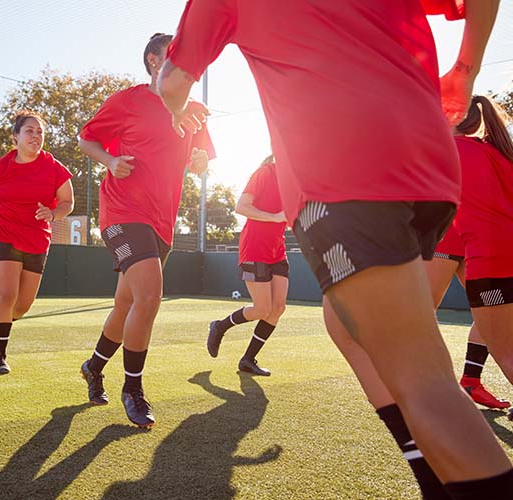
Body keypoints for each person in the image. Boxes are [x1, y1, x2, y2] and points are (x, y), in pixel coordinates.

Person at [158, 0, 513, 496]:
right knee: (343, 326)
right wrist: (464, 69)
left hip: (346, 175)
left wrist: (179, 113)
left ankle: (441, 479)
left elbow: (173, 83)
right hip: (429, 167)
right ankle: (428, 469)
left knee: (424, 378)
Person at [77, 33, 214, 428]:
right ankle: (132, 388)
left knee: (126, 304)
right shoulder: (128, 101)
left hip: (162, 221)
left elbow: (199, 163)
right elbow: (86, 138)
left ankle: (93, 366)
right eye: (175, 56)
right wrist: (109, 159)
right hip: (121, 211)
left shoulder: (196, 110)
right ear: (154, 62)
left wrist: (202, 160)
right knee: (150, 294)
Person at [0, 111, 74, 374]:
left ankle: (3, 324)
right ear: (16, 136)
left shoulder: (54, 168)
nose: (35, 136)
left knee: (23, 305)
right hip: (2, 236)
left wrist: (53, 213)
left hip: (37, 240)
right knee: (6, 296)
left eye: (40, 132)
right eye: (29, 131)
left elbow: (67, 202)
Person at [452, 95, 513, 416]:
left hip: (490, 262)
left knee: (505, 351)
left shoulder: (451, 152)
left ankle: (468, 381)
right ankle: (470, 379)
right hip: (505, 255)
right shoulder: (502, 152)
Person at [207, 155, 288, 376]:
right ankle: (220, 327)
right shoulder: (265, 173)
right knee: (262, 309)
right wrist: (275, 217)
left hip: (277, 250)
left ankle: (248, 359)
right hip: (255, 248)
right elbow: (241, 206)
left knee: (278, 307)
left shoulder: (295, 180)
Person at [425, 223, 509, 409]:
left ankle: (471, 380)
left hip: (475, 237)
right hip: (445, 232)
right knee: (421, 313)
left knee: (495, 313)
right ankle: (420, 385)